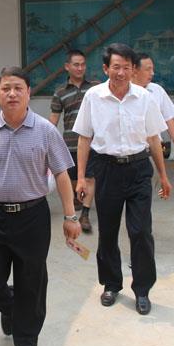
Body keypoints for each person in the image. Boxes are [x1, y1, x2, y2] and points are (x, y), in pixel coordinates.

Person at [0, 66, 81, 346]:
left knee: (31, 282)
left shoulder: (45, 130)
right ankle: (12, 308)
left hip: (32, 217)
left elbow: (62, 174)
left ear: (28, 93)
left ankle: (26, 342)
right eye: (6, 88)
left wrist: (70, 216)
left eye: (18, 88)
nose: (12, 94)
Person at [73, 43, 172, 315]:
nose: (121, 72)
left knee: (140, 231)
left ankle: (142, 290)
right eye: (116, 67)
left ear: (133, 70)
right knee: (107, 231)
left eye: (126, 67)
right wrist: (80, 178)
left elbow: (154, 138)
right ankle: (111, 284)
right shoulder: (93, 97)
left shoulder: (144, 98)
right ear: (106, 68)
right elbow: (84, 138)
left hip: (138, 168)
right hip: (106, 170)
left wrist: (163, 175)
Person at [49, 49, 99, 233]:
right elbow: (53, 120)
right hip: (69, 143)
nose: (80, 68)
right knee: (71, 178)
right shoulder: (60, 92)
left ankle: (85, 214)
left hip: (92, 143)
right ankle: (78, 200)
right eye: (76, 65)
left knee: (89, 177)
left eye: (83, 64)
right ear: (67, 67)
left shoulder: (95, 87)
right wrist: (45, 140)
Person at [132, 52, 174, 162]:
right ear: (134, 70)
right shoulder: (124, 92)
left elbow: (169, 117)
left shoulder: (156, 90)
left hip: (153, 148)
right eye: (148, 69)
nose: (152, 73)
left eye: (152, 69)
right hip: (131, 149)